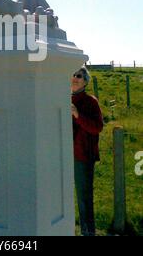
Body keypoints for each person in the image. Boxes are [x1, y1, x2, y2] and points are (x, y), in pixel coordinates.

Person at [71, 66, 103, 236]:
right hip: (60, 156)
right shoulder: (59, 97)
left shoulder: (91, 102)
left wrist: (78, 115)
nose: (74, 78)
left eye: (79, 76)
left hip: (82, 157)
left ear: (85, 82)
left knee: (84, 199)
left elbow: (97, 127)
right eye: (72, 75)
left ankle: (88, 233)